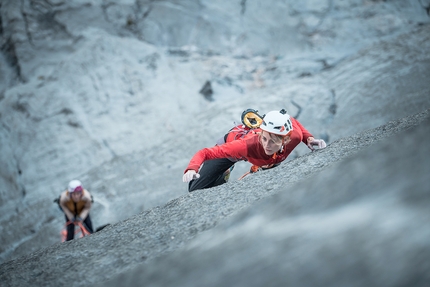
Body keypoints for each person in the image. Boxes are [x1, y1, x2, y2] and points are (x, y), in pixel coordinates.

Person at [183, 109, 327, 192]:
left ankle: (263, 165)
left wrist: (308, 138)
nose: (267, 145)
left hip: (263, 156)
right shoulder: (244, 145)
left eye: (273, 141)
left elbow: (291, 119)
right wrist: (192, 168)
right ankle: (225, 172)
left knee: (271, 163)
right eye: (264, 139)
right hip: (233, 146)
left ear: (286, 140)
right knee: (196, 188)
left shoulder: (294, 136)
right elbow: (205, 152)